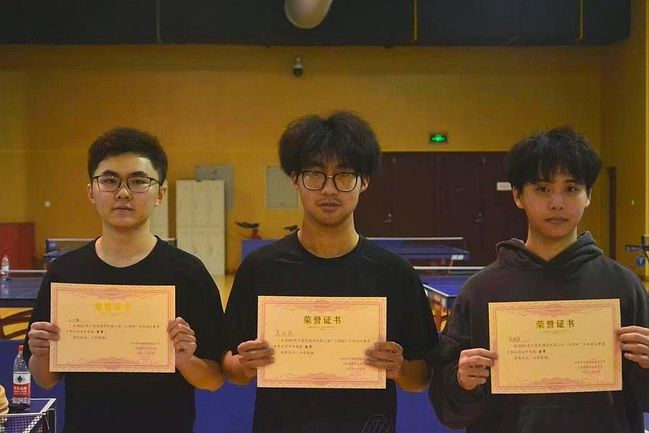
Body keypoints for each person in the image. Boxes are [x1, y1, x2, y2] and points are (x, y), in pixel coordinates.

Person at [222, 111, 438, 432]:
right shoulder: (260, 269)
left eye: (344, 175)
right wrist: (244, 365)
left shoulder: (395, 274)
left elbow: (422, 377)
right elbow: (230, 367)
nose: (329, 189)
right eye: (315, 174)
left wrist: (400, 368)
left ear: (364, 181)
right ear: (295, 179)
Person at [429, 126, 649, 433]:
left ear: (588, 196)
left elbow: (643, 399)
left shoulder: (623, 287)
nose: (557, 203)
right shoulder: (481, 291)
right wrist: (461, 381)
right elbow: (448, 406)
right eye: (543, 189)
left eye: (571, 189)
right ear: (518, 195)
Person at [25, 127, 225, 433]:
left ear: (160, 194)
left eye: (138, 181)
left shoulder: (189, 274)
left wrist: (184, 359)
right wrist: (42, 353)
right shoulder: (64, 274)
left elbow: (213, 379)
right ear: (91, 191)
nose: (123, 193)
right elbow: (45, 379)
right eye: (109, 180)